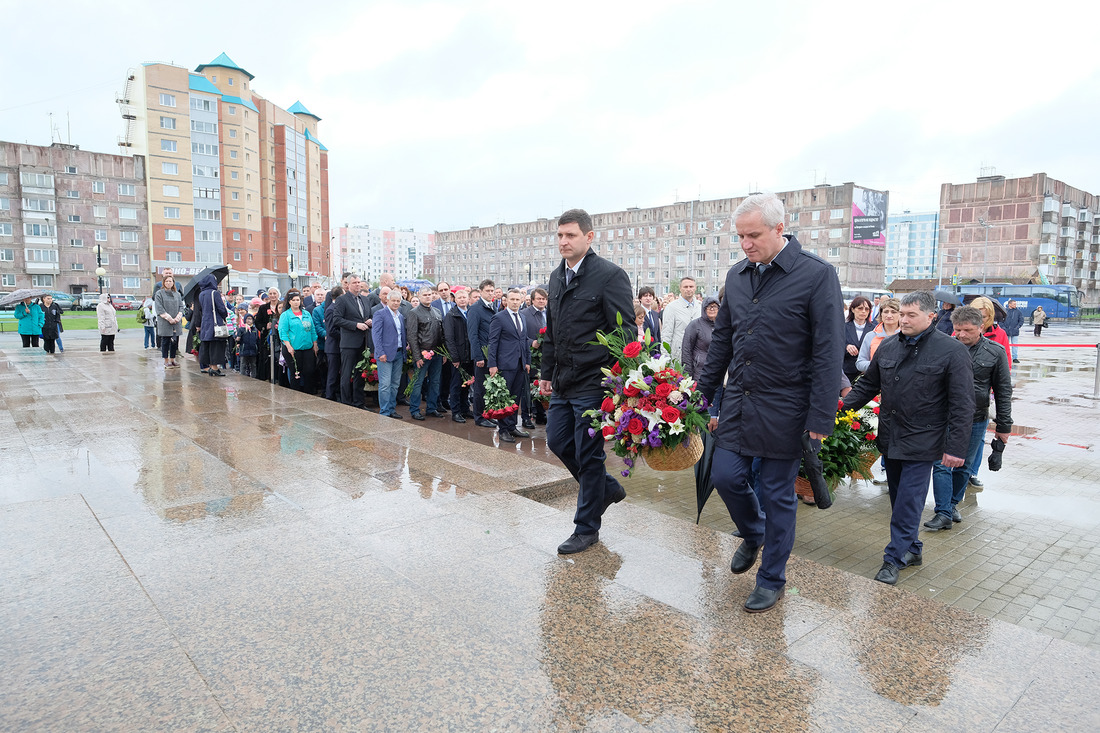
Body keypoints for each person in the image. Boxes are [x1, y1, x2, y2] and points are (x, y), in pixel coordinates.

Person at [696, 193, 844, 613]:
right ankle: (754, 533)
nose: (746, 244)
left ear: (780, 229)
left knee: (778, 493)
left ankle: (771, 577)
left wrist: (820, 416)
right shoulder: (737, 276)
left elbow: (829, 350)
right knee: (725, 477)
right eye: (740, 236)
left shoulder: (816, 275)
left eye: (754, 235)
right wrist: (701, 398)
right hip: (740, 402)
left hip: (787, 409)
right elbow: (721, 341)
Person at [841, 291, 974, 585]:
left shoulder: (951, 351)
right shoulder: (888, 346)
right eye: (902, 314)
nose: (903, 320)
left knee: (909, 501)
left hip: (924, 441)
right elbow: (867, 387)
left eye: (911, 315)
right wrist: (836, 411)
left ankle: (893, 558)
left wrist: (956, 447)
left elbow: (963, 404)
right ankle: (912, 548)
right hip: (891, 437)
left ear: (931, 317)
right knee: (900, 499)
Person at [540, 209, 634, 556]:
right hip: (564, 379)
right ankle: (605, 489)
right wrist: (546, 373)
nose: (564, 242)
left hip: (594, 382)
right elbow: (552, 330)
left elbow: (625, 331)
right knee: (557, 440)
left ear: (589, 237)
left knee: (588, 453)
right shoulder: (555, 277)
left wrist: (607, 370)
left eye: (571, 235)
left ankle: (586, 528)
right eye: (560, 236)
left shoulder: (609, 276)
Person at [925, 305, 1012, 531]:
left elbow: (1003, 391)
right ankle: (943, 511)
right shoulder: (944, 347)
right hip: (944, 415)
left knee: (965, 466)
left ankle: (952, 504)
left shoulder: (995, 352)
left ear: (981, 327)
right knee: (941, 463)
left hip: (976, 417)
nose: (961, 335)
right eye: (957, 330)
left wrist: (1004, 427)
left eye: (967, 330)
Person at [488, 288, 532, 443]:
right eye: (512, 299)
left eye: (517, 300)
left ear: (521, 300)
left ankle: (512, 426)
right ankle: (503, 430)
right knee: (505, 399)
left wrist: (527, 361)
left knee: (515, 398)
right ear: (506, 300)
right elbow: (493, 342)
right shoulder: (499, 318)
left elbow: (525, 340)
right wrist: (492, 364)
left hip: (520, 364)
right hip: (504, 364)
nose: (515, 302)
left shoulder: (522, 317)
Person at [331, 276, 373, 408]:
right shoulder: (342, 300)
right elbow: (336, 319)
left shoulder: (365, 299)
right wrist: (356, 325)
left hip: (363, 341)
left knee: (361, 374)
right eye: (354, 283)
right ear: (348, 285)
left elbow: (369, 315)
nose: (357, 285)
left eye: (359, 282)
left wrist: (370, 321)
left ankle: (359, 402)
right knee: (346, 374)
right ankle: (346, 403)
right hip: (349, 343)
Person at [406, 286, 445, 420]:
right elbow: (411, 336)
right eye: (425, 295)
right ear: (419, 296)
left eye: (430, 294)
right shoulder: (414, 312)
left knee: (435, 382)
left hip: (437, 353)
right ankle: (415, 409)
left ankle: (431, 408)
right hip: (422, 353)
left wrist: (444, 352)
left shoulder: (437, 312)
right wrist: (417, 356)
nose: (428, 297)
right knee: (417, 382)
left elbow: (442, 334)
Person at [467, 279, 499, 428]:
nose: (490, 293)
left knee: (489, 387)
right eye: (488, 291)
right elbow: (472, 335)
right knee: (480, 388)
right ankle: (479, 417)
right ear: (480, 292)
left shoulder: (494, 307)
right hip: (482, 355)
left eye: (492, 291)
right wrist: (478, 356)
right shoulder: (475, 309)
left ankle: (487, 414)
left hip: (492, 354)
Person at [372, 290, 407, 419]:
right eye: (394, 300)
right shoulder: (380, 314)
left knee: (395, 384)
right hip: (385, 355)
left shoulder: (400, 316)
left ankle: (392, 409)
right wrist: (380, 352)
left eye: (398, 301)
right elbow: (376, 335)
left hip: (398, 353)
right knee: (385, 384)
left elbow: (401, 334)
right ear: (387, 300)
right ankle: (385, 411)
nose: (396, 303)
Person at [443, 287, 475, 422]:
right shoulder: (451, 315)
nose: (462, 300)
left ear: (468, 299)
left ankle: (465, 409)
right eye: (459, 298)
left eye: (464, 297)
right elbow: (449, 338)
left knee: (467, 384)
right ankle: (456, 411)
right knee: (456, 385)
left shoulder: (471, 313)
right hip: (458, 356)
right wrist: (454, 357)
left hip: (470, 355)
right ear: (454, 300)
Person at [278, 290, 319, 392]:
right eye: (294, 300)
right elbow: (283, 332)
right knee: (296, 371)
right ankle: (295, 392)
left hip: (307, 347)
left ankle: (308, 391)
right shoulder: (286, 315)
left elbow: (312, 329)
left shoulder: (306, 314)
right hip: (293, 348)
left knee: (309, 370)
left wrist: (315, 343)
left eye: (298, 300)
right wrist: (288, 347)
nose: (296, 302)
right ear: (289, 302)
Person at [520, 287, 549, 427]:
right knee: (531, 386)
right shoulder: (524, 314)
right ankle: (529, 414)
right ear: (532, 300)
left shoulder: (549, 314)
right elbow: (519, 336)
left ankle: (542, 414)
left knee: (544, 384)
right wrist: (532, 342)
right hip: (531, 355)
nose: (542, 301)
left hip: (548, 355)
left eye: (544, 299)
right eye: (539, 299)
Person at [856, 297, 901, 372]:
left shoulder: (907, 335)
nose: (889, 315)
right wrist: (878, 365)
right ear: (881, 314)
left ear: (900, 314)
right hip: (875, 380)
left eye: (893, 312)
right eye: (886, 312)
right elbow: (860, 363)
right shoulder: (870, 336)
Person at [662, 276, 700, 362]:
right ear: (680, 288)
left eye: (691, 286)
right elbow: (666, 334)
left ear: (695, 288)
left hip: (697, 354)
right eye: (685, 287)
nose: (688, 289)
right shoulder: (671, 308)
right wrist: (665, 359)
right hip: (678, 354)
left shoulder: (700, 307)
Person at [196, 274, 228, 376]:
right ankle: (215, 368)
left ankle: (209, 367)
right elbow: (221, 309)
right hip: (215, 323)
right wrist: (225, 315)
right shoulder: (215, 293)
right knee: (216, 346)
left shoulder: (201, 294)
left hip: (205, 323)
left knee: (207, 346)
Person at [682, 295, 720, 378]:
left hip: (718, 372)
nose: (712, 309)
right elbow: (686, 350)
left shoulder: (722, 325)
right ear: (704, 308)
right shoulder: (695, 325)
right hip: (699, 372)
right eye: (709, 306)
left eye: (715, 306)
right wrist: (687, 374)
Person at [843, 296, 874, 384]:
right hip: (847, 371)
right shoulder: (843, 327)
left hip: (867, 372)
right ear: (852, 309)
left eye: (867, 309)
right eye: (860, 308)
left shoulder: (874, 329)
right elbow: (834, 347)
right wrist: (846, 347)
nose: (863, 311)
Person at [154, 274, 183, 368]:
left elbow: (181, 307)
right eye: (166, 281)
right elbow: (159, 308)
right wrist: (169, 318)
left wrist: (177, 318)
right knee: (165, 341)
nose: (168, 283)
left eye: (170, 281)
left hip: (176, 322)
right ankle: (166, 360)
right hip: (165, 321)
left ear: (173, 283)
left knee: (174, 341)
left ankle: (172, 359)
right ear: (163, 283)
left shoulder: (177, 294)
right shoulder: (159, 293)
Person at [320, 286, 344, 399]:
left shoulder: (337, 307)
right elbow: (331, 330)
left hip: (339, 346)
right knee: (333, 373)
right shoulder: (331, 309)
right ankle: (330, 396)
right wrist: (345, 336)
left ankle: (336, 395)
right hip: (333, 347)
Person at [1003, 299, 1023, 364]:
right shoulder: (1004, 311)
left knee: (1015, 345)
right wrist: (1004, 328)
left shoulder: (1018, 312)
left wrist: (1017, 327)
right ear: (1009, 304)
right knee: (1005, 345)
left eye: (1015, 304)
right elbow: (1001, 320)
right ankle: (1005, 357)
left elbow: (1021, 321)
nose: (1015, 305)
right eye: (1014, 304)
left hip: (1015, 332)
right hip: (1006, 331)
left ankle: (1015, 358)